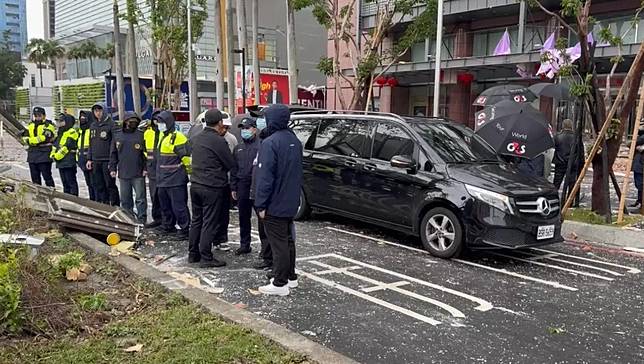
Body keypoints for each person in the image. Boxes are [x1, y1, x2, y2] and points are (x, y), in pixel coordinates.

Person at [255, 104, 303, 296]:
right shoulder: (295, 141)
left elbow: (265, 177)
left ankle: (279, 283)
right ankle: (291, 277)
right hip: (290, 201)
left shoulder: (270, 143)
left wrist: (261, 204)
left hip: (274, 202)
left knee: (278, 243)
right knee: (288, 241)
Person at [188, 109, 237, 267]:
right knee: (209, 222)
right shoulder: (218, 140)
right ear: (220, 123)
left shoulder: (197, 137)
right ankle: (206, 257)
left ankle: (193, 253)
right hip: (212, 186)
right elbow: (229, 163)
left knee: (197, 221)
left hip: (195, 184)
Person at [155, 110, 191, 238]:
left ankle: (185, 229)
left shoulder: (178, 137)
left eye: (162, 122)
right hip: (162, 179)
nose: (159, 125)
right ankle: (168, 226)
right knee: (165, 206)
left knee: (179, 206)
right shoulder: (162, 136)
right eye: (158, 122)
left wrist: (190, 174)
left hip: (176, 179)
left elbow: (186, 159)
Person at [231, 116, 262, 255]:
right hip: (242, 185)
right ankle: (245, 244)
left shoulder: (261, 146)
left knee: (262, 218)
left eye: (247, 128)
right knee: (243, 217)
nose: (244, 131)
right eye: (242, 128)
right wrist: (233, 187)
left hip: (256, 185)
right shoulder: (238, 148)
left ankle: (266, 249)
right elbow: (234, 169)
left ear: (254, 129)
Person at [109, 112, 148, 223]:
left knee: (140, 199)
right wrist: (112, 168)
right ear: (125, 122)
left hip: (138, 172)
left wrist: (145, 168)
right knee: (125, 199)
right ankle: (128, 220)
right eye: (131, 121)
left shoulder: (141, 135)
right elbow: (113, 153)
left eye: (136, 121)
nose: (133, 123)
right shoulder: (117, 135)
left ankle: (142, 220)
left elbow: (145, 154)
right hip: (123, 172)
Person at [211, 115, 238, 251]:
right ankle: (213, 239)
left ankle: (222, 238)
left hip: (226, 181)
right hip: (213, 182)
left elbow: (233, 161)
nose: (224, 130)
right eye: (223, 127)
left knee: (224, 213)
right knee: (213, 213)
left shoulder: (231, 139)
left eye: (227, 128)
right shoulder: (211, 138)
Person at [87, 102, 120, 205]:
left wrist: (112, 161)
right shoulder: (93, 125)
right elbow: (90, 143)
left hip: (107, 160)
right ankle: (104, 205)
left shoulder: (111, 124)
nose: (98, 113)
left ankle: (115, 205)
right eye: (96, 111)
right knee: (99, 184)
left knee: (110, 185)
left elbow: (113, 144)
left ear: (104, 111)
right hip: (96, 160)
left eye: (100, 110)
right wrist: (89, 158)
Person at [251, 116, 272, 270]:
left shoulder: (271, 143)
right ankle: (266, 255)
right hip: (257, 192)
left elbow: (266, 174)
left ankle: (271, 259)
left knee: (270, 229)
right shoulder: (262, 141)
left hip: (268, 196)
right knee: (262, 228)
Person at [22, 106, 56, 187]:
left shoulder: (48, 125)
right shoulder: (30, 125)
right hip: (32, 154)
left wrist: (31, 141)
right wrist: (31, 141)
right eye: (36, 115)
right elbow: (25, 137)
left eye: (39, 115)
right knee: (35, 177)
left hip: (44, 154)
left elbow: (45, 138)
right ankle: (38, 195)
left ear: (44, 115)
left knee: (47, 176)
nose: (37, 117)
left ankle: (51, 196)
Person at [50, 113, 79, 196]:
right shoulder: (60, 133)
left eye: (61, 121)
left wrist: (57, 156)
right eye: (58, 121)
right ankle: (67, 200)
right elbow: (55, 145)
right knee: (65, 183)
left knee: (71, 182)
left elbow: (67, 146)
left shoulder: (72, 132)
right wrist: (52, 155)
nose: (59, 123)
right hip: (61, 162)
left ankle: (74, 201)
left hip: (69, 161)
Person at [143, 111, 163, 227]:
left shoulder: (166, 133)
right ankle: (157, 219)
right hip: (152, 169)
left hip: (164, 169)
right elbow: (144, 151)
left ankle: (167, 221)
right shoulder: (147, 133)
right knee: (154, 195)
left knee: (164, 197)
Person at [77, 110, 96, 201]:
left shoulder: (91, 130)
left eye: (84, 117)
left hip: (91, 161)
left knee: (94, 183)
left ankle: (97, 201)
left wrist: (91, 159)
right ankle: (92, 200)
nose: (82, 119)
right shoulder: (81, 132)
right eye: (81, 117)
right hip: (82, 161)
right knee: (89, 183)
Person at [553, 119, 575, 190]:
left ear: (563, 126)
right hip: (572, 163)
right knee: (571, 185)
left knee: (556, 184)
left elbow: (553, 148)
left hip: (560, 163)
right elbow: (580, 152)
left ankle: (554, 198)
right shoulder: (576, 138)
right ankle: (569, 200)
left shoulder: (557, 137)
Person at [631, 126, 644, 209]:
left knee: (640, 184)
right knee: (639, 184)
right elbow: (631, 143)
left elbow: (633, 142)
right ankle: (640, 201)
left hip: (640, 165)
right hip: (639, 164)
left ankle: (641, 203)